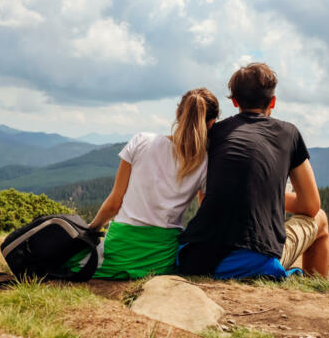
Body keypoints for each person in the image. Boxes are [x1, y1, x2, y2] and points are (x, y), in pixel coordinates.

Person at [177, 63, 329, 279]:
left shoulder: (216, 133)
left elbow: (205, 197)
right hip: (254, 263)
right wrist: (268, 195)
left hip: (195, 258)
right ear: (273, 102)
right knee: (321, 219)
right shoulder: (289, 134)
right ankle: (316, 291)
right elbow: (311, 205)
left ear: (235, 101)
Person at [64, 88, 220, 279]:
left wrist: (90, 231)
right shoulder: (205, 162)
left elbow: (114, 204)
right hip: (163, 258)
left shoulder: (141, 141)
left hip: (122, 246)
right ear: (211, 124)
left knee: (66, 261)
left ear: (178, 114)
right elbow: (205, 213)